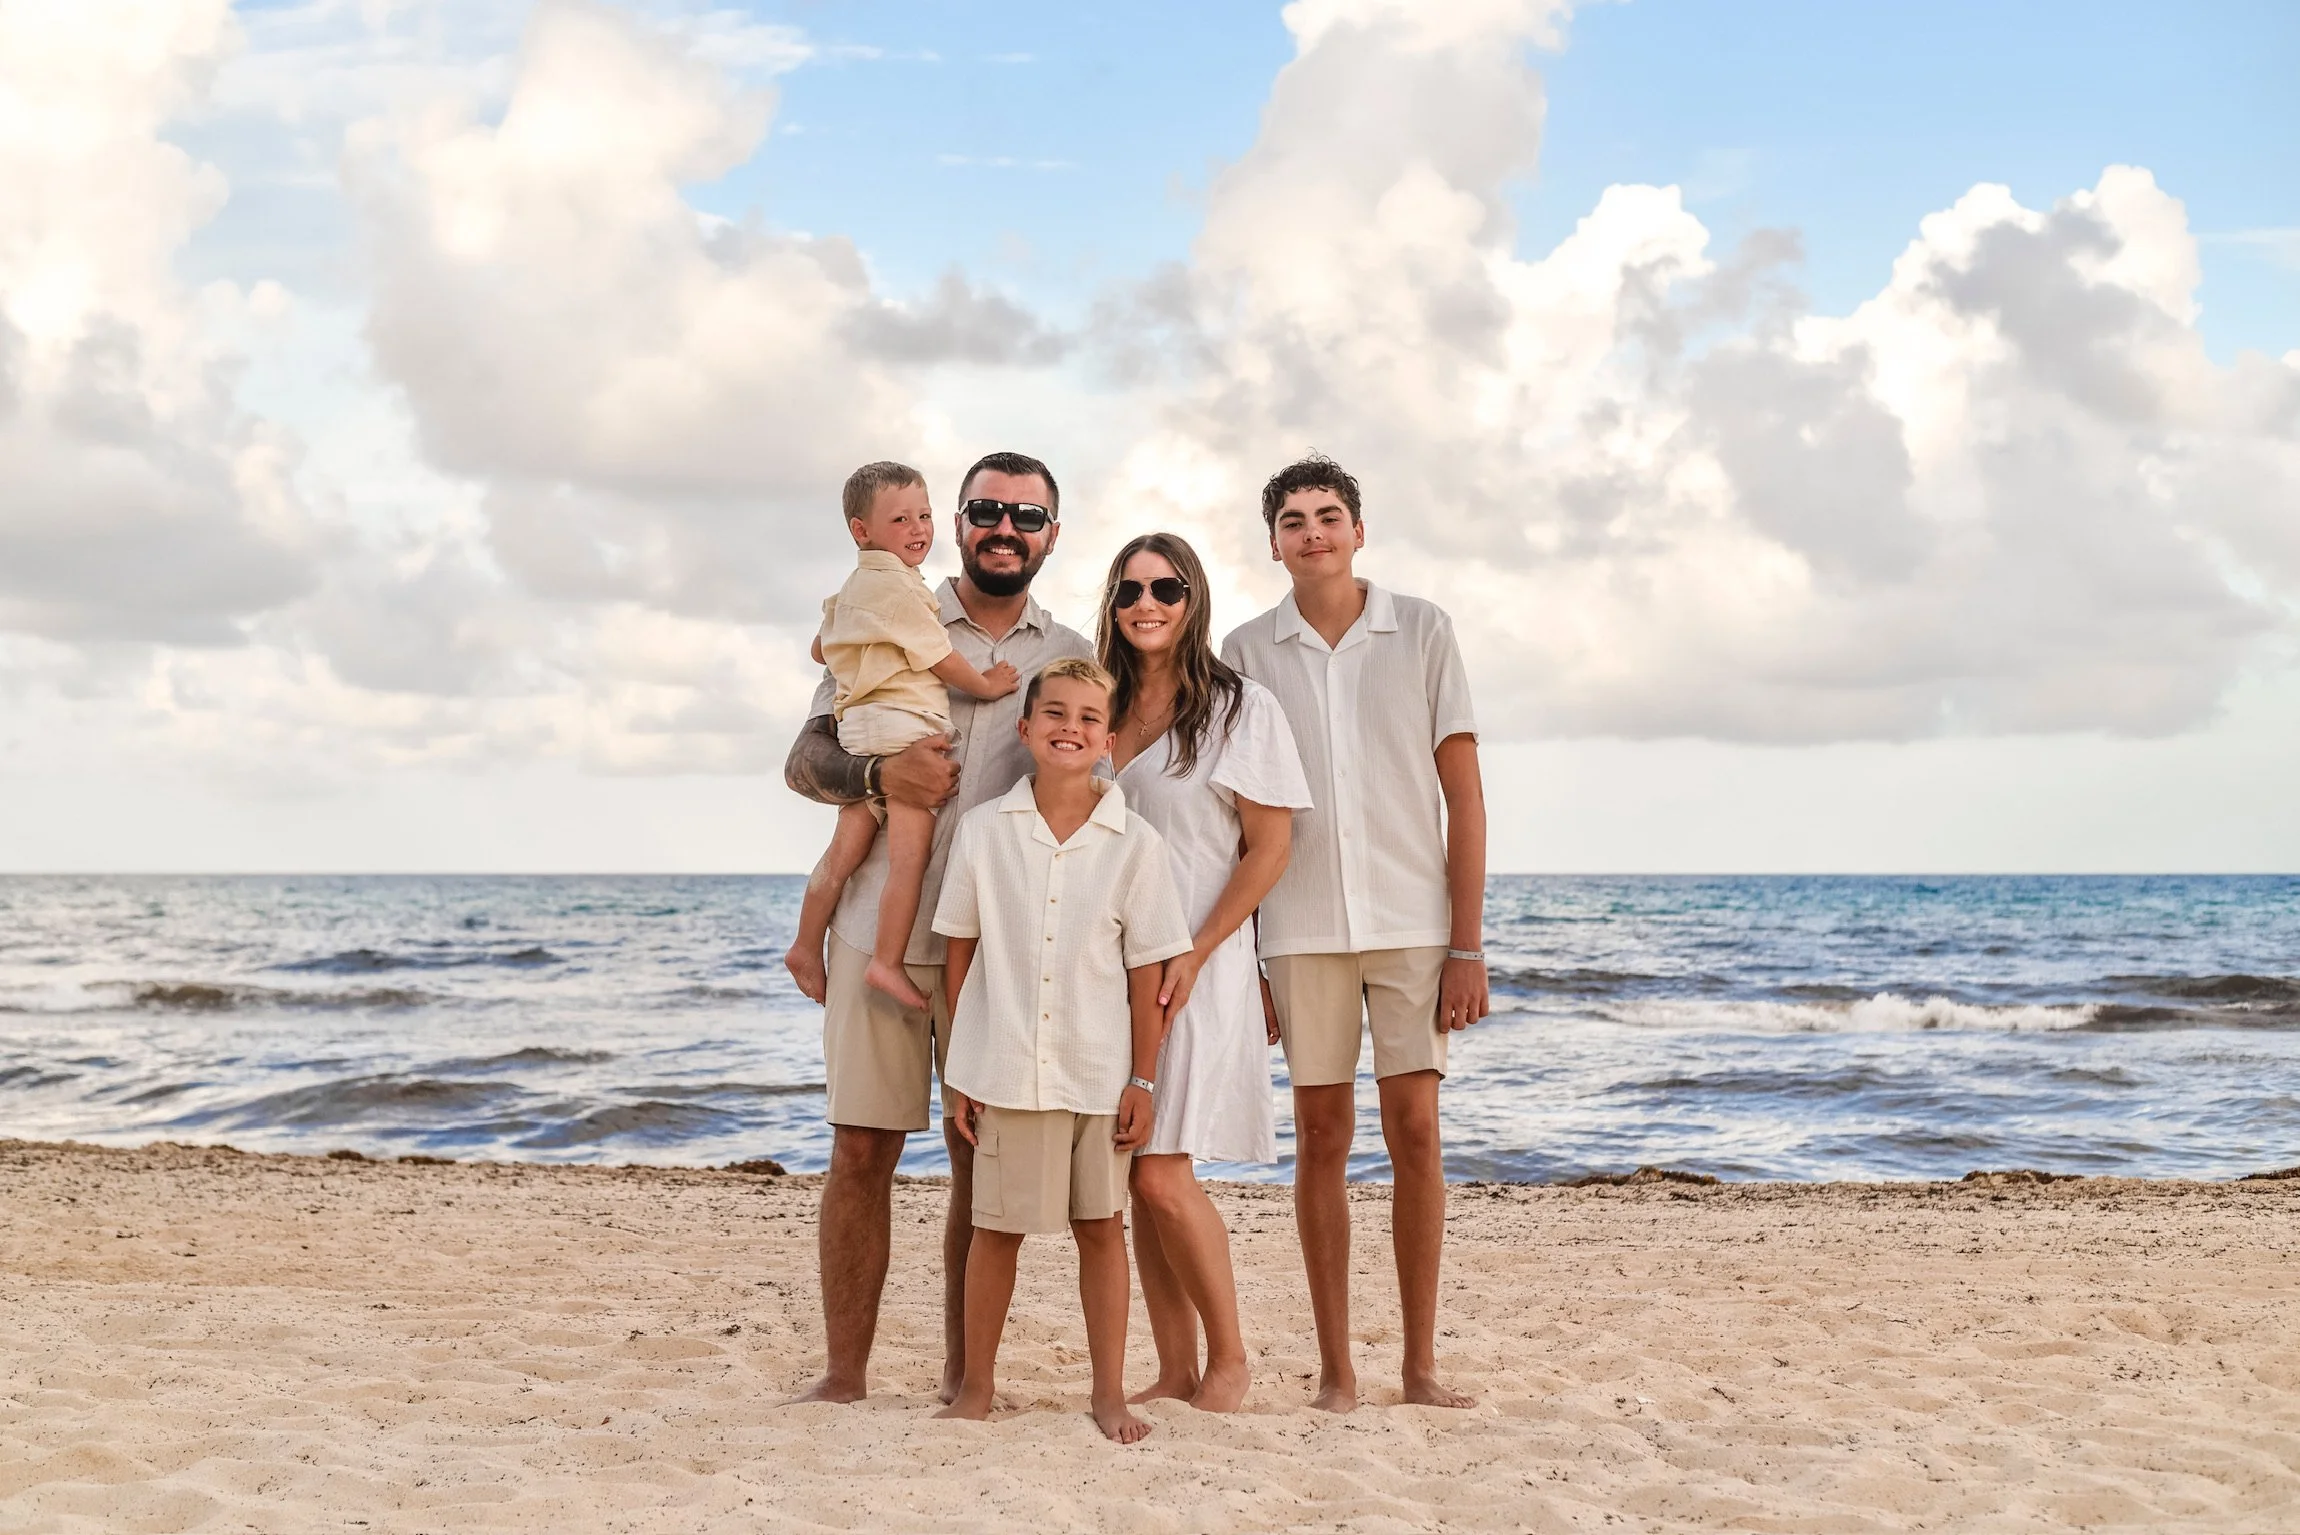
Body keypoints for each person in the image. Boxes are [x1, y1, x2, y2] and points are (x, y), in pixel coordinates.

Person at [782, 451, 1091, 1406]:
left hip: (990, 948)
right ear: (956, 520)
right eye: (987, 510)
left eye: (1026, 516)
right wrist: (881, 780)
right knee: (861, 1152)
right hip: (878, 919)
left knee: (975, 1160)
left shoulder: (1070, 648)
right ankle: (844, 1375)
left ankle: (966, 1374)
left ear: (1050, 533)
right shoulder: (889, 604)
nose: (1006, 528)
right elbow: (805, 756)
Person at [1221, 454, 1490, 1414]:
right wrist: (1244, 958)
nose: (1313, 532)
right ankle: (1337, 1371)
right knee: (1321, 1136)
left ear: (1358, 529)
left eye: (1328, 515)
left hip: (1415, 925)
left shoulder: (1421, 630)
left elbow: (1462, 793)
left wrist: (1468, 943)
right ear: (1275, 543)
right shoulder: (1248, 651)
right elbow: (1236, 818)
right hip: (1297, 930)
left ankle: (1418, 1367)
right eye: (1293, 520)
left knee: (1416, 1129)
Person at [932, 658, 1194, 1443]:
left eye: (1088, 717)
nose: (1070, 727)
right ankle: (976, 1387)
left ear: (1108, 740)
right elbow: (959, 956)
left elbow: (1149, 975)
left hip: (1096, 1070)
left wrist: (1143, 1078)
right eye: (1055, 712)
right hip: (1008, 1066)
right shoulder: (984, 832)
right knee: (997, 1231)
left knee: (1099, 1229)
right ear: (1026, 728)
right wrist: (960, 1071)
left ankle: (1108, 1393)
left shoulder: (1136, 845)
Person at [1096, 532, 1310, 1413]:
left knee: (1161, 1173)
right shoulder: (1094, 702)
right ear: (1112, 602)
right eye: (1130, 588)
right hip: (1106, 969)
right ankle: (1175, 1367)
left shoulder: (1239, 707)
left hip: (1196, 963)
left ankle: (1229, 1359)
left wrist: (1202, 945)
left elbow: (1270, 848)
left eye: (1167, 587)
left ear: (1194, 599)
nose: (1148, 602)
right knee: (1137, 1167)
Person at [788, 461, 1021, 1012]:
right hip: (901, 731)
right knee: (909, 858)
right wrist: (986, 687)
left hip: (864, 726)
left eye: (924, 515)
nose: (918, 529)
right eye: (900, 519)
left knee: (843, 852)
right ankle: (886, 961)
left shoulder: (857, 589)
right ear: (860, 530)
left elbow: (821, 648)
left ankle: (802, 944)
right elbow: (941, 657)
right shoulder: (900, 591)